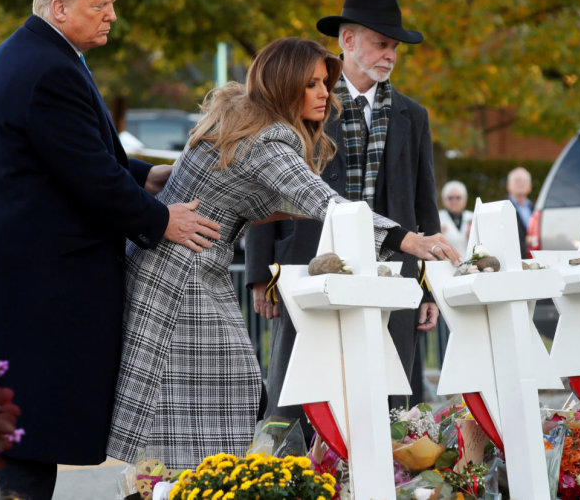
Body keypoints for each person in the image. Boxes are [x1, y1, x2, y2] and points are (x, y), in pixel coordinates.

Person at [107, 37, 457, 469]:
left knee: (201, 404)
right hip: (180, 277)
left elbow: (262, 198)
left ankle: (177, 484)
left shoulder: (243, 120)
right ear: (284, 83)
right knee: (219, 398)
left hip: (180, 269)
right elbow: (325, 203)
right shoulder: (268, 142)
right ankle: (189, 485)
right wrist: (409, 240)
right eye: (311, 84)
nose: (325, 93)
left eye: (325, 83)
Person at [0, 0, 220, 500]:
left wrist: (148, 175)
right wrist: (161, 220)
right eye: (99, 5)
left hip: (24, 282)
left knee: (22, 440)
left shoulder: (33, 55)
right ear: (59, 8)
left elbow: (79, 153)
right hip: (41, 288)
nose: (110, 16)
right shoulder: (49, 68)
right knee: (23, 443)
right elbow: (88, 175)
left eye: (111, 5)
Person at [244, 0, 443, 437]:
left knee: (390, 398)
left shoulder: (414, 115)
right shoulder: (304, 101)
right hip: (307, 266)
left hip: (391, 273)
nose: (390, 54)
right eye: (381, 42)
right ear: (347, 41)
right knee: (298, 392)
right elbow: (264, 187)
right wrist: (261, 273)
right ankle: (292, 478)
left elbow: (423, 204)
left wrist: (427, 288)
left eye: (394, 46)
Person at [439, 180, 473, 256]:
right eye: (450, 198)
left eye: (458, 198)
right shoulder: (437, 218)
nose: (454, 201)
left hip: (471, 265)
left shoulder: (474, 217)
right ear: (443, 200)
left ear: (465, 200)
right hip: (444, 265)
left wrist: (474, 236)